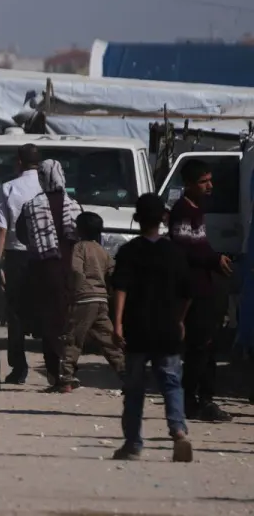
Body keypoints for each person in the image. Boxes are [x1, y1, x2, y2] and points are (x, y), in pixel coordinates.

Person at [110, 192, 193, 463]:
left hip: (137, 328)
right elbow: (187, 293)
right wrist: (179, 320)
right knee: (171, 382)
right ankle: (178, 430)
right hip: (167, 328)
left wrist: (118, 324)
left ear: (136, 218)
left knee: (134, 388)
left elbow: (120, 288)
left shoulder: (129, 252)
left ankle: (133, 444)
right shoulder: (176, 253)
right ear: (164, 218)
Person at [168, 159, 235, 423]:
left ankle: (201, 399)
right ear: (188, 184)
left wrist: (216, 260)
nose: (209, 185)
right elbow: (186, 246)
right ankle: (195, 400)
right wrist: (213, 260)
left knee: (207, 347)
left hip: (204, 286)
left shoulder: (197, 209)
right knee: (199, 347)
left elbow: (201, 245)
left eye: (209, 180)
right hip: (193, 289)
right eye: (203, 181)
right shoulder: (183, 210)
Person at [15, 159, 83, 390]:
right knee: (68, 323)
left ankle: (56, 376)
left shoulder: (31, 206)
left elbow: (22, 236)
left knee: (49, 324)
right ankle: (69, 373)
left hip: (44, 272)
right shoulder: (74, 205)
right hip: (71, 271)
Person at [0, 143, 43, 384]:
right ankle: (54, 368)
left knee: (16, 315)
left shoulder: (9, 188)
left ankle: (19, 368)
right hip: (44, 255)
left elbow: (1, 229)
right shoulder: (47, 186)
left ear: (19, 162)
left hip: (16, 256)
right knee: (47, 310)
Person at [61, 211, 126, 388]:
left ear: (79, 230)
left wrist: (75, 290)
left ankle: (66, 378)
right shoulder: (102, 251)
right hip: (101, 300)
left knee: (73, 338)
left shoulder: (79, 248)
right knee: (108, 339)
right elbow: (112, 272)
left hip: (83, 299)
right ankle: (125, 371)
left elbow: (76, 270)